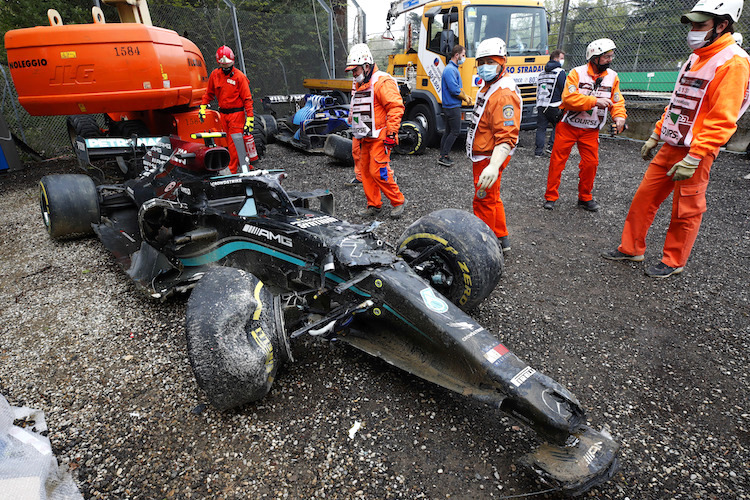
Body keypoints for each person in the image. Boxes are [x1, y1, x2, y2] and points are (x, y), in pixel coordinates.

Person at [603, 0, 750, 278]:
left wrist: (696, 156)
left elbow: (723, 117)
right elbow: (678, 102)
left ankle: (674, 260)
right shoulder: (697, 57)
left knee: (686, 209)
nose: (693, 30)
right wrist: (656, 134)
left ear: (722, 25)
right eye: (692, 24)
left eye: (700, 25)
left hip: (697, 150)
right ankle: (631, 248)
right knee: (644, 198)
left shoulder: (733, 62)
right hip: (672, 144)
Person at [542, 38, 627, 212]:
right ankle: (550, 196)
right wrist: (595, 101)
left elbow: (617, 101)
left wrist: (619, 118)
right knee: (557, 161)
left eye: (611, 56)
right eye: (606, 57)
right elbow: (569, 99)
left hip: (591, 130)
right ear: (594, 57)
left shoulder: (613, 77)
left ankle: (585, 197)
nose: (610, 60)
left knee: (591, 164)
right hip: (568, 126)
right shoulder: (576, 73)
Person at [465, 37, 521, 253]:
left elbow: (507, 136)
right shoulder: (492, 86)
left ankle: (485, 247)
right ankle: (501, 237)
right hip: (485, 153)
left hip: (489, 156)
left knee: (483, 200)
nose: (484, 66)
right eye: (481, 62)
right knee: (492, 197)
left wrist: (493, 165)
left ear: (502, 62)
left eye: (490, 61)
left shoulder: (503, 93)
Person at [346, 43, 408, 218]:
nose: (354, 74)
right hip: (365, 136)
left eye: (355, 70)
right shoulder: (362, 83)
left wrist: (391, 133)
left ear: (366, 66)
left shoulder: (381, 82)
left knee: (378, 170)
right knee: (365, 171)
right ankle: (374, 204)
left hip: (381, 135)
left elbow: (396, 107)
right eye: (352, 71)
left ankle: (398, 201)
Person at [199, 46, 254, 174]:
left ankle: (231, 171)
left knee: (234, 144)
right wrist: (202, 107)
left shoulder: (239, 77)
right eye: (223, 65)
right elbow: (209, 93)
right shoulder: (215, 75)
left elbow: (247, 99)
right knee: (226, 143)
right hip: (223, 115)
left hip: (236, 115)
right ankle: (245, 164)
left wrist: (250, 118)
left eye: (228, 64)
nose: (226, 68)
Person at [438, 44, 473, 167]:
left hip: (450, 106)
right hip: (452, 106)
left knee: (448, 131)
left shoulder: (452, 69)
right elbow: (454, 90)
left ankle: (443, 155)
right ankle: (444, 156)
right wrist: (464, 97)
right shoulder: (450, 70)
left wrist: (465, 95)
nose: (464, 58)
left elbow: (457, 88)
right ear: (457, 55)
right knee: (455, 132)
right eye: (463, 55)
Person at [534, 50, 566, 157]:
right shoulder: (560, 72)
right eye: (561, 58)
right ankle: (551, 147)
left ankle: (538, 151)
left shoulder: (541, 73)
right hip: (554, 104)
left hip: (541, 104)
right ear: (556, 59)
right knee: (558, 126)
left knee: (541, 128)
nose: (563, 60)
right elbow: (564, 89)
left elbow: (538, 89)